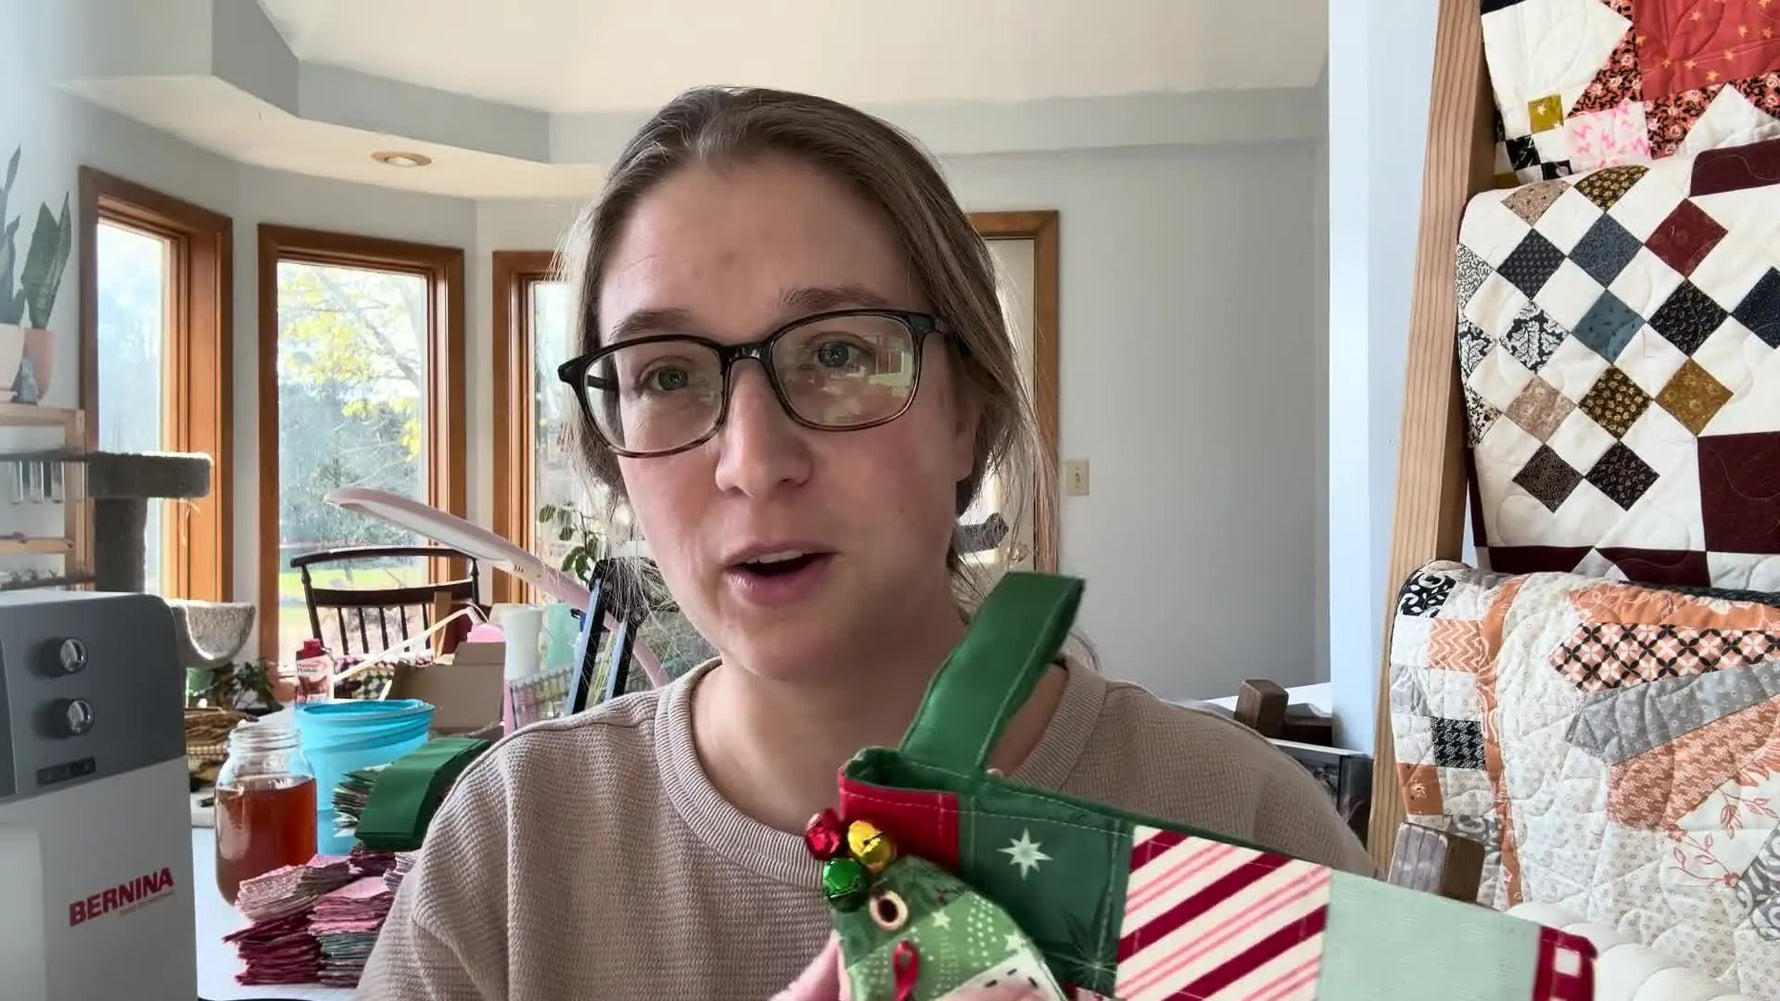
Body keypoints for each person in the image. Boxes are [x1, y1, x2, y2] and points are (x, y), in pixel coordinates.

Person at [360, 86, 1371, 1001]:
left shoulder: (1240, 815)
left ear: (968, 412)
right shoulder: (512, 847)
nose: (753, 461)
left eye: (839, 352)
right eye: (666, 375)